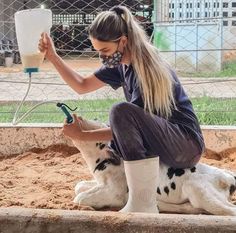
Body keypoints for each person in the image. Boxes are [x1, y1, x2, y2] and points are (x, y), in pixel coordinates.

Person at [38, 5, 205, 213]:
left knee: (120, 112)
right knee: (120, 115)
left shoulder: (146, 69)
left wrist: (82, 135)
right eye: (98, 51)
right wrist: (52, 56)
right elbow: (82, 85)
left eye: (105, 50)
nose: (102, 57)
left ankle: (142, 204)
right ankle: (138, 197)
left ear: (123, 41)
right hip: (166, 141)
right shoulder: (121, 65)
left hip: (185, 145)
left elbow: (129, 127)